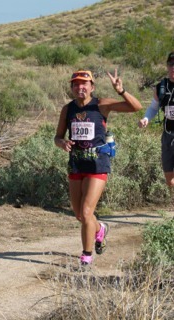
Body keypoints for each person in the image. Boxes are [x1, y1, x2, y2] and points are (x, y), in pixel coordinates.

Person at [54, 69, 142, 266]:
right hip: (76, 164)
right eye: (76, 84)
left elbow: (136, 107)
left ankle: (86, 256)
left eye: (84, 83)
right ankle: (99, 229)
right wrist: (62, 143)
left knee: (86, 212)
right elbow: (58, 136)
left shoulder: (101, 105)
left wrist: (121, 91)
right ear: (72, 88)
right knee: (79, 215)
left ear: (92, 87)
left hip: (98, 164)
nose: (80, 87)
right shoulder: (67, 110)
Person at [138, 52, 174, 202]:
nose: (173, 68)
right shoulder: (161, 87)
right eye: (171, 65)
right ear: (167, 66)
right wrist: (146, 118)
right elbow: (153, 108)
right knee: (169, 180)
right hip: (167, 135)